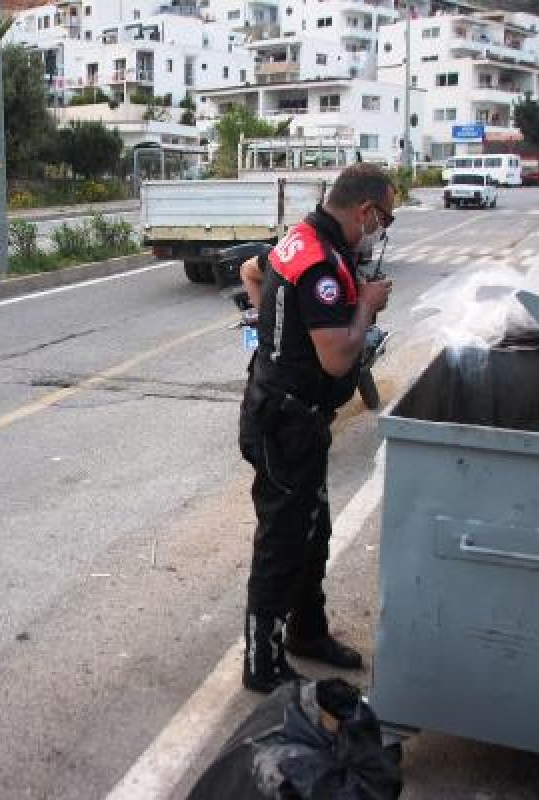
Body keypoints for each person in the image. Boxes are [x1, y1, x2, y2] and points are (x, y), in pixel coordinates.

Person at [238, 164, 395, 693]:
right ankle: (262, 661)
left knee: (313, 529)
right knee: (284, 539)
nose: (381, 231)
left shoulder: (298, 239)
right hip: (286, 423)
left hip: (290, 417)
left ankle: (307, 632)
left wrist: (275, 337)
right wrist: (367, 310)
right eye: (384, 220)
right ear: (366, 211)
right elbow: (337, 358)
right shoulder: (322, 265)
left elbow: (250, 272)